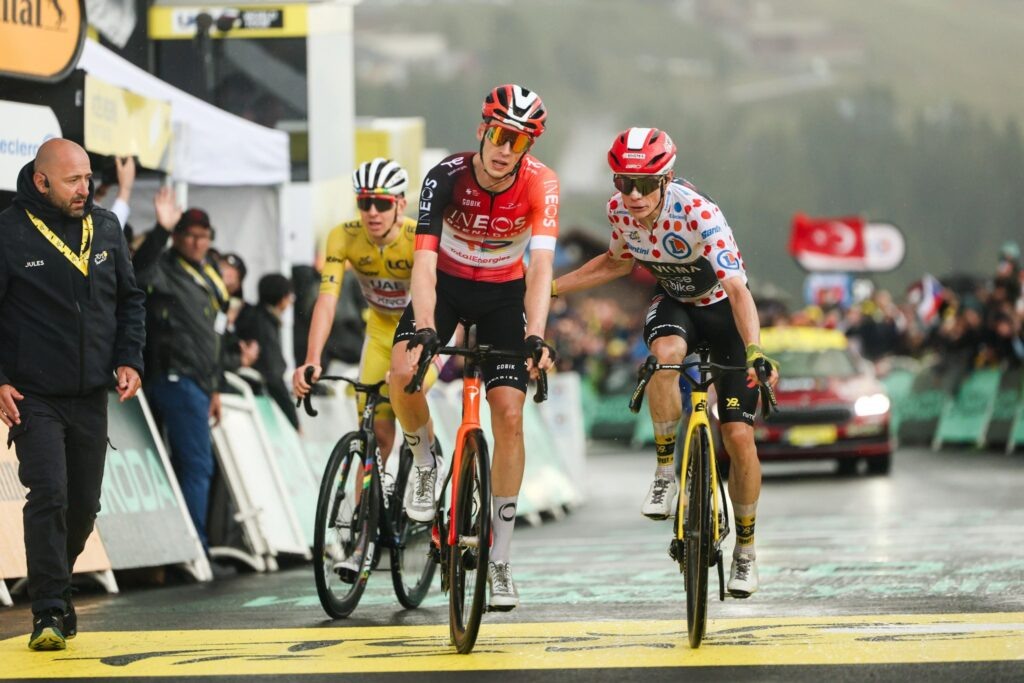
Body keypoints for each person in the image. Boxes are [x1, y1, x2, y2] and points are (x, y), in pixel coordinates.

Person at [552, 127, 778, 598]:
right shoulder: (618, 210)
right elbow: (615, 262)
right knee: (664, 357)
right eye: (622, 182)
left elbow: (737, 289)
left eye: (644, 184)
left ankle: (747, 549)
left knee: (737, 435)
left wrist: (754, 350)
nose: (632, 195)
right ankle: (663, 474)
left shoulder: (698, 213)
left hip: (723, 310)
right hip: (675, 303)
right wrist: (548, 287)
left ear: (666, 178)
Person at [388, 84, 558, 611]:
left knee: (508, 414)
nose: (505, 148)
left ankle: (501, 557)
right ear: (481, 131)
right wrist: (422, 328)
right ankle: (423, 459)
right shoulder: (446, 175)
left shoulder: (541, 184)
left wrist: (536, 333)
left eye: (518, 140)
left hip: (504, 295)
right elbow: (422, 262)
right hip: (446, 286)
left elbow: (543, 267)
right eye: (498, 134)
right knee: (402, 370)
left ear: (528, 147)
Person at [0, 139, 146, 650]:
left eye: (87, 178)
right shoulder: (9, 232)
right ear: (41, 182)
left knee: (83, 506)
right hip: (33, 396)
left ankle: (55, 588)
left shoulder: (105, 227)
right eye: (73, 181)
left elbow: (130, 301)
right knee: (51, 495)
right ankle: (49, 613)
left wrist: (130, 359)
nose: (85, 188)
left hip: (90, 395)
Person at [293, 158, 418, 464]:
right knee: (374, 434)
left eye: (381, 203)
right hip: (378, 331)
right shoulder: (344, 236)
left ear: (400, 204)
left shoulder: (418, 238)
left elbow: (426, 303)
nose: (372, 212)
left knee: (404, 398)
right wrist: (312, 359)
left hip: (418, 331)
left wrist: (407, 359)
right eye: (364, 202)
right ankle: (365, 510)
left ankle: (427, 458)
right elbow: (327, 299)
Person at [132, 189, 228, 559]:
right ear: (176, 236)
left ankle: (182, 546)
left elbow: (216, 335)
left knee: (189, 464)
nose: (196, 242)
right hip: (173, 376)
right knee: (196, 464)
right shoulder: (164, 265)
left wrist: (216, 387)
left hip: (200, 382)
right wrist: (159, 229)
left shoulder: (210, 273)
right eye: (188, 234)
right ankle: (194, 548)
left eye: (203, 236)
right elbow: (136, 273)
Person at [237, 273, 299, 428]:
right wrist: (294, 422)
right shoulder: (265, 325)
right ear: (283, 298)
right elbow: (274, 375)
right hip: (256, 402)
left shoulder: (251, 317)